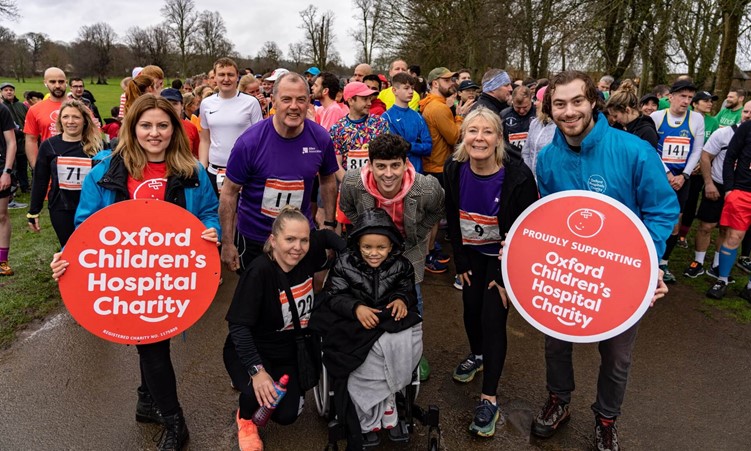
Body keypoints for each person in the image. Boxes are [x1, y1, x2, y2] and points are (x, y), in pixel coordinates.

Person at [50, 94, 220, 451]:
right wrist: (69, 257)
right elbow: (88, 228)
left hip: (173, 275)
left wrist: (210, 231)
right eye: (146, 125)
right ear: (132, 128)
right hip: (129, 278)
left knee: (156, 337)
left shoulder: (192, 172)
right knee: (153, 344)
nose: (154, 133)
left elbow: (207, 212)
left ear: (174, 130)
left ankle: (146, 401)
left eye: (162, 125)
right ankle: (175, 420)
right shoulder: (105, 171)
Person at [533, 70, 678, 451]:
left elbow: (662, 211)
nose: (569, 111)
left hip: (622, 278)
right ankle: (558, 400)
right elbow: (548, 218)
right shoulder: (547, 159)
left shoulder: (634, 151)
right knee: (555, 342)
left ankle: (607, 418)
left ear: (594, 101)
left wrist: (650, 264)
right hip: (570, 276)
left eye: (577, 101)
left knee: (616, 356)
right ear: (550, 109)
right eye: (560, 104)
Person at [444, 107, 538, 437]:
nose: (479, 138)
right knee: (470, 312)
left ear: (499, 138)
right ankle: (478, 355)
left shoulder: (518, 177)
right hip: (472, 255)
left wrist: (503, 272)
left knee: (492, 319)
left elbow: (526, 231)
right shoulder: (454, 168)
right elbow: (452, 216)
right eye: (472, 131)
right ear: (463, 136)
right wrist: (461, 260)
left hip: (503, 259)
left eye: (487, 132)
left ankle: (489, 399)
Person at [224, 205, 345, 451]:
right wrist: (257, 372)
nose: (297, 247)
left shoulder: (306, 254)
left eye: (303, 240)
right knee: (256, 393)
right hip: (254, 349)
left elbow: (326, 236)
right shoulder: (259, 272)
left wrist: (349, 251)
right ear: (274, 239)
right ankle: (245, 419)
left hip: (291, 349)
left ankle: (260, 392)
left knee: (287, 415)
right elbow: (238, 327)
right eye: (289, 239)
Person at [312, 208, 422, 447]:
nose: (374, 254)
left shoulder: (402, 266)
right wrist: (355, 308)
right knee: (359, 350)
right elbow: (334, 294)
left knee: (406, 333)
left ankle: (387, 401)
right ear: (358, 245)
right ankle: (373, 409)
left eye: (381, 248)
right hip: (353, 318)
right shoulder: (343, 263)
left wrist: (402, 299)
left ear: (391, 246)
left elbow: (408, 291)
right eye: (367, 247)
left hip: (386, 315)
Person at [220, 72, 339, 273]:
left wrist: (328, 223)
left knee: (297, 298)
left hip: (299, 241)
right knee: (258, 301)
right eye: (286, 99)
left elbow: (328, 180)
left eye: (301, 100)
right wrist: (227, 243)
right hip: (256, 239)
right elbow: (229, 193)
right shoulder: (249, 142)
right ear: (273, 101)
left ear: (309, 102)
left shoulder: (320, 138)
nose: (294, 106)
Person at [683, 100, 751, 280]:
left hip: (740, 190)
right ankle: (698, 262)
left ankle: (717, 265)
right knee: (706, 225)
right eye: (745, 112)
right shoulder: (723, 133)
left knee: (727, 229)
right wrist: (709, 183)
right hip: (718, 185)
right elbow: (705, 156)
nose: (748, 116)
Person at [27, 100, 103, 246]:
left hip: (91, 207)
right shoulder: (49, 146)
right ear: (60, 121)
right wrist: (33, 211)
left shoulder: (98, 146)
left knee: (92, 247)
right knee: (69, 247)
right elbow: (40, 179)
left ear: (84, 121)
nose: (70, 121)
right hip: (61, 208)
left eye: (76, 117)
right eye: (66, 117)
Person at [650, 79, 705, 283]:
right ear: (670, 97)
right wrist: (667, 174)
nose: (686, 101)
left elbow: (697, 149)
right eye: (682, 96)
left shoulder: (696, 119)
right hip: (659, 176)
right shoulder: (656, 117)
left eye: (690, 98)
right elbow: (651, 148)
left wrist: (685, 175)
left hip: (682, 178)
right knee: (653, 218)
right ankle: (649, 259)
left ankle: (664, 262)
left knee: (675, 224)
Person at [198, 57, 263, 195]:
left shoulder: (251, 103)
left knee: (241, 215)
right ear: (214, 77)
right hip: (214, 171)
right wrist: (202, 168)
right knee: (216, 214)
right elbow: (204, 139)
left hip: (244, 172)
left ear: (237, 77)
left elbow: (259, 141)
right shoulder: (206, 104)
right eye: (221, 74)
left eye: (230, 75)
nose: (226, 79)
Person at [706, 106, 751, 300]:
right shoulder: (746, 128)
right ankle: (722, 279)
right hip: (742, 192)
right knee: (733, 237)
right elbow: (729, 157)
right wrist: (730, 189)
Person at [329, 81, 389, 181]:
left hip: (377, 185)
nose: (369, 103)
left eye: (370, 99)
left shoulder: (380, 124)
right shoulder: (338, 129)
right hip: (350, 187)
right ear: (351, 100)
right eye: (365, 99)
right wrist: (350, 185)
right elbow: (336, 164)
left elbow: (387, 156)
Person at [382, 73, 432, 173]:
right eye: (406, 88)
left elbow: (428, 147)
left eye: (412, 88)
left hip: (417, 174)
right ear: (394, 90)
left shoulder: (418, 117)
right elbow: (392, 149)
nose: (411, 92)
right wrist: (415, 145)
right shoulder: (386, 117)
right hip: (396, 174)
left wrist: (410, 146)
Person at [24, 67, 68, 167]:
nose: (57, 85)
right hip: (48, 162)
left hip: (75, 162)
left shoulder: (80, 107)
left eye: (61, 82)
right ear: (45, 83)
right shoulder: (35, 109)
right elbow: (31, 139)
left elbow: (93, 136)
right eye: (53, 82)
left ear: (66, 82)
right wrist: (35, 166)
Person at [605, 80, 659, 149]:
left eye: (615, 116)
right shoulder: (617, 127)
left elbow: (650, 158)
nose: (614, 120)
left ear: (627, 110)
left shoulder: (647, 132)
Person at [1, 82, 29, 194]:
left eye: (11, 90)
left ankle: (25, 186)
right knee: (12, 166)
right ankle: (12, 189)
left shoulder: (21, 105)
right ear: (1, 92)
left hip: (23, 141)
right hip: (8, 142)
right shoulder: (3, 107)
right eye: (6, 90)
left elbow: (28, 120)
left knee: (23, 165)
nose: (9, 92)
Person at [0, 102, 18, 276]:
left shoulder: (1, 109)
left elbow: (11, 142)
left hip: (0, 169)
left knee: (1, 215)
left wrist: (7, 171)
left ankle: (2, 261)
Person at [160, 88, 200, 158]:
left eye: (175, 104)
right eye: (166, 103)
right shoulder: (153, 129)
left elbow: (196, 155)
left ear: (182, 105)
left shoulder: (191, 127)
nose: (171, 107)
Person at [501, 85, 536, 159]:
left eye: (525, 107)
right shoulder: (504, 115)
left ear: (531, 99)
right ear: (512, 101)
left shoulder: (539, 115)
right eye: (517, 107)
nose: (521, 111)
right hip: (512, 160)